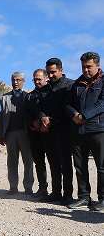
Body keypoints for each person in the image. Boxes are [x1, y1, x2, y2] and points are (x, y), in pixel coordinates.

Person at [66, 52, 104, 211]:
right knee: (80, 166)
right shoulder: (77, 84)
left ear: (97, 66)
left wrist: (84, 115)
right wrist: (74, 114)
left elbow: (102, 103)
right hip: (79, 130)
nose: (86, 70)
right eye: (83, 67)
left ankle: (102, 199)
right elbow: (68, 104)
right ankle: (84, 197)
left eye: (89, 66)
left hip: (98, 129)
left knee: (102, 166)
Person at [41, 58, 74, 205]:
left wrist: (51, 119)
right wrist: (42, 117)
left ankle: (68, 195)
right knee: (53, 163)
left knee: (65, 164)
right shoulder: (46, 88)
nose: (51, 75)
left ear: (61, 70)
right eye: (48, 73)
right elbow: (40, 106)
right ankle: (56, 193)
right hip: (49, 132)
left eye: (53, 72)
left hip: (65, 131)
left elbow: (68, 108)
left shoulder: (70, 86)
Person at [0, 72, 34, 195]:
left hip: (25, 134)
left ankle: (28, 188)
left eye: (18, 80)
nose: (15, 82)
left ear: (23, 81)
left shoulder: (28, 97)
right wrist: (0, 135)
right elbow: (1, 118)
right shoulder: (4, 97)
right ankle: (13, 187)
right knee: (12, 162)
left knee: (28, 161)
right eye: (13, 79)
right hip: (10, 134)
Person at [27, 69, 50, 198]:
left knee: (55, 163)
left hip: (50, 133)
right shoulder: (30, 96)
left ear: (46, 78)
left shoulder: (52, 93)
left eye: (39, 79)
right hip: (35, 134)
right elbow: (27, 113)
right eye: (34, 79)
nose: (36, 82)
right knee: (39, 163)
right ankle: (42, 188)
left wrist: (47, 123)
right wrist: (32, 123)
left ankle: (58, 191)